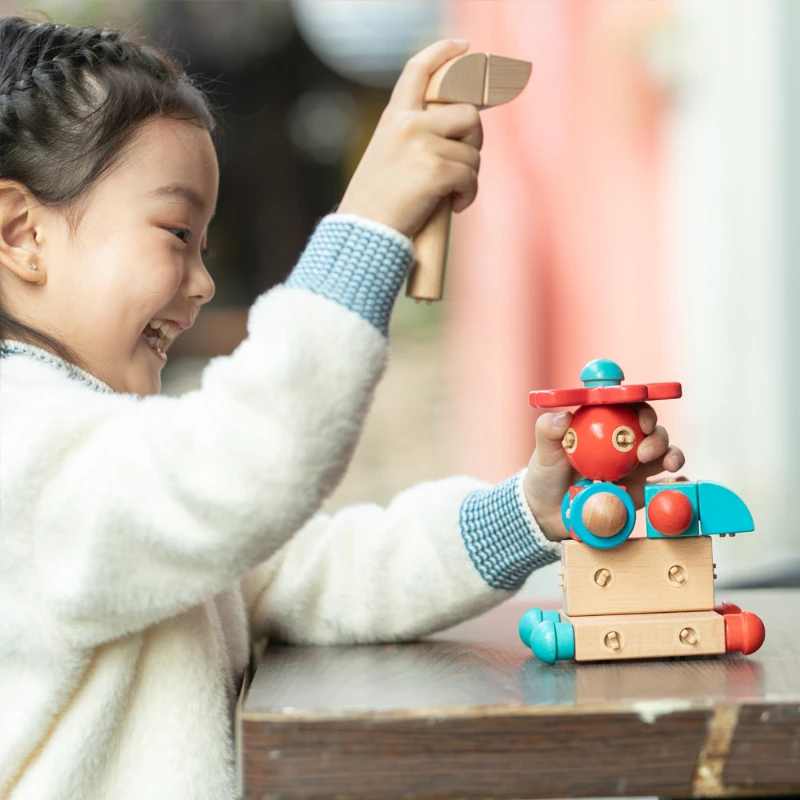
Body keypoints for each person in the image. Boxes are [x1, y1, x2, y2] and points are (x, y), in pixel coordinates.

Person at [0, 15, 684, 800]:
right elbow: (242, 464)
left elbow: (323, 573)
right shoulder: (21, 451)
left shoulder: (119, 467)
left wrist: (527, 514)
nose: (202, 284)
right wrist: (369, 227)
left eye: (204, 247)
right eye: (176, 231)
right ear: (22, 232)